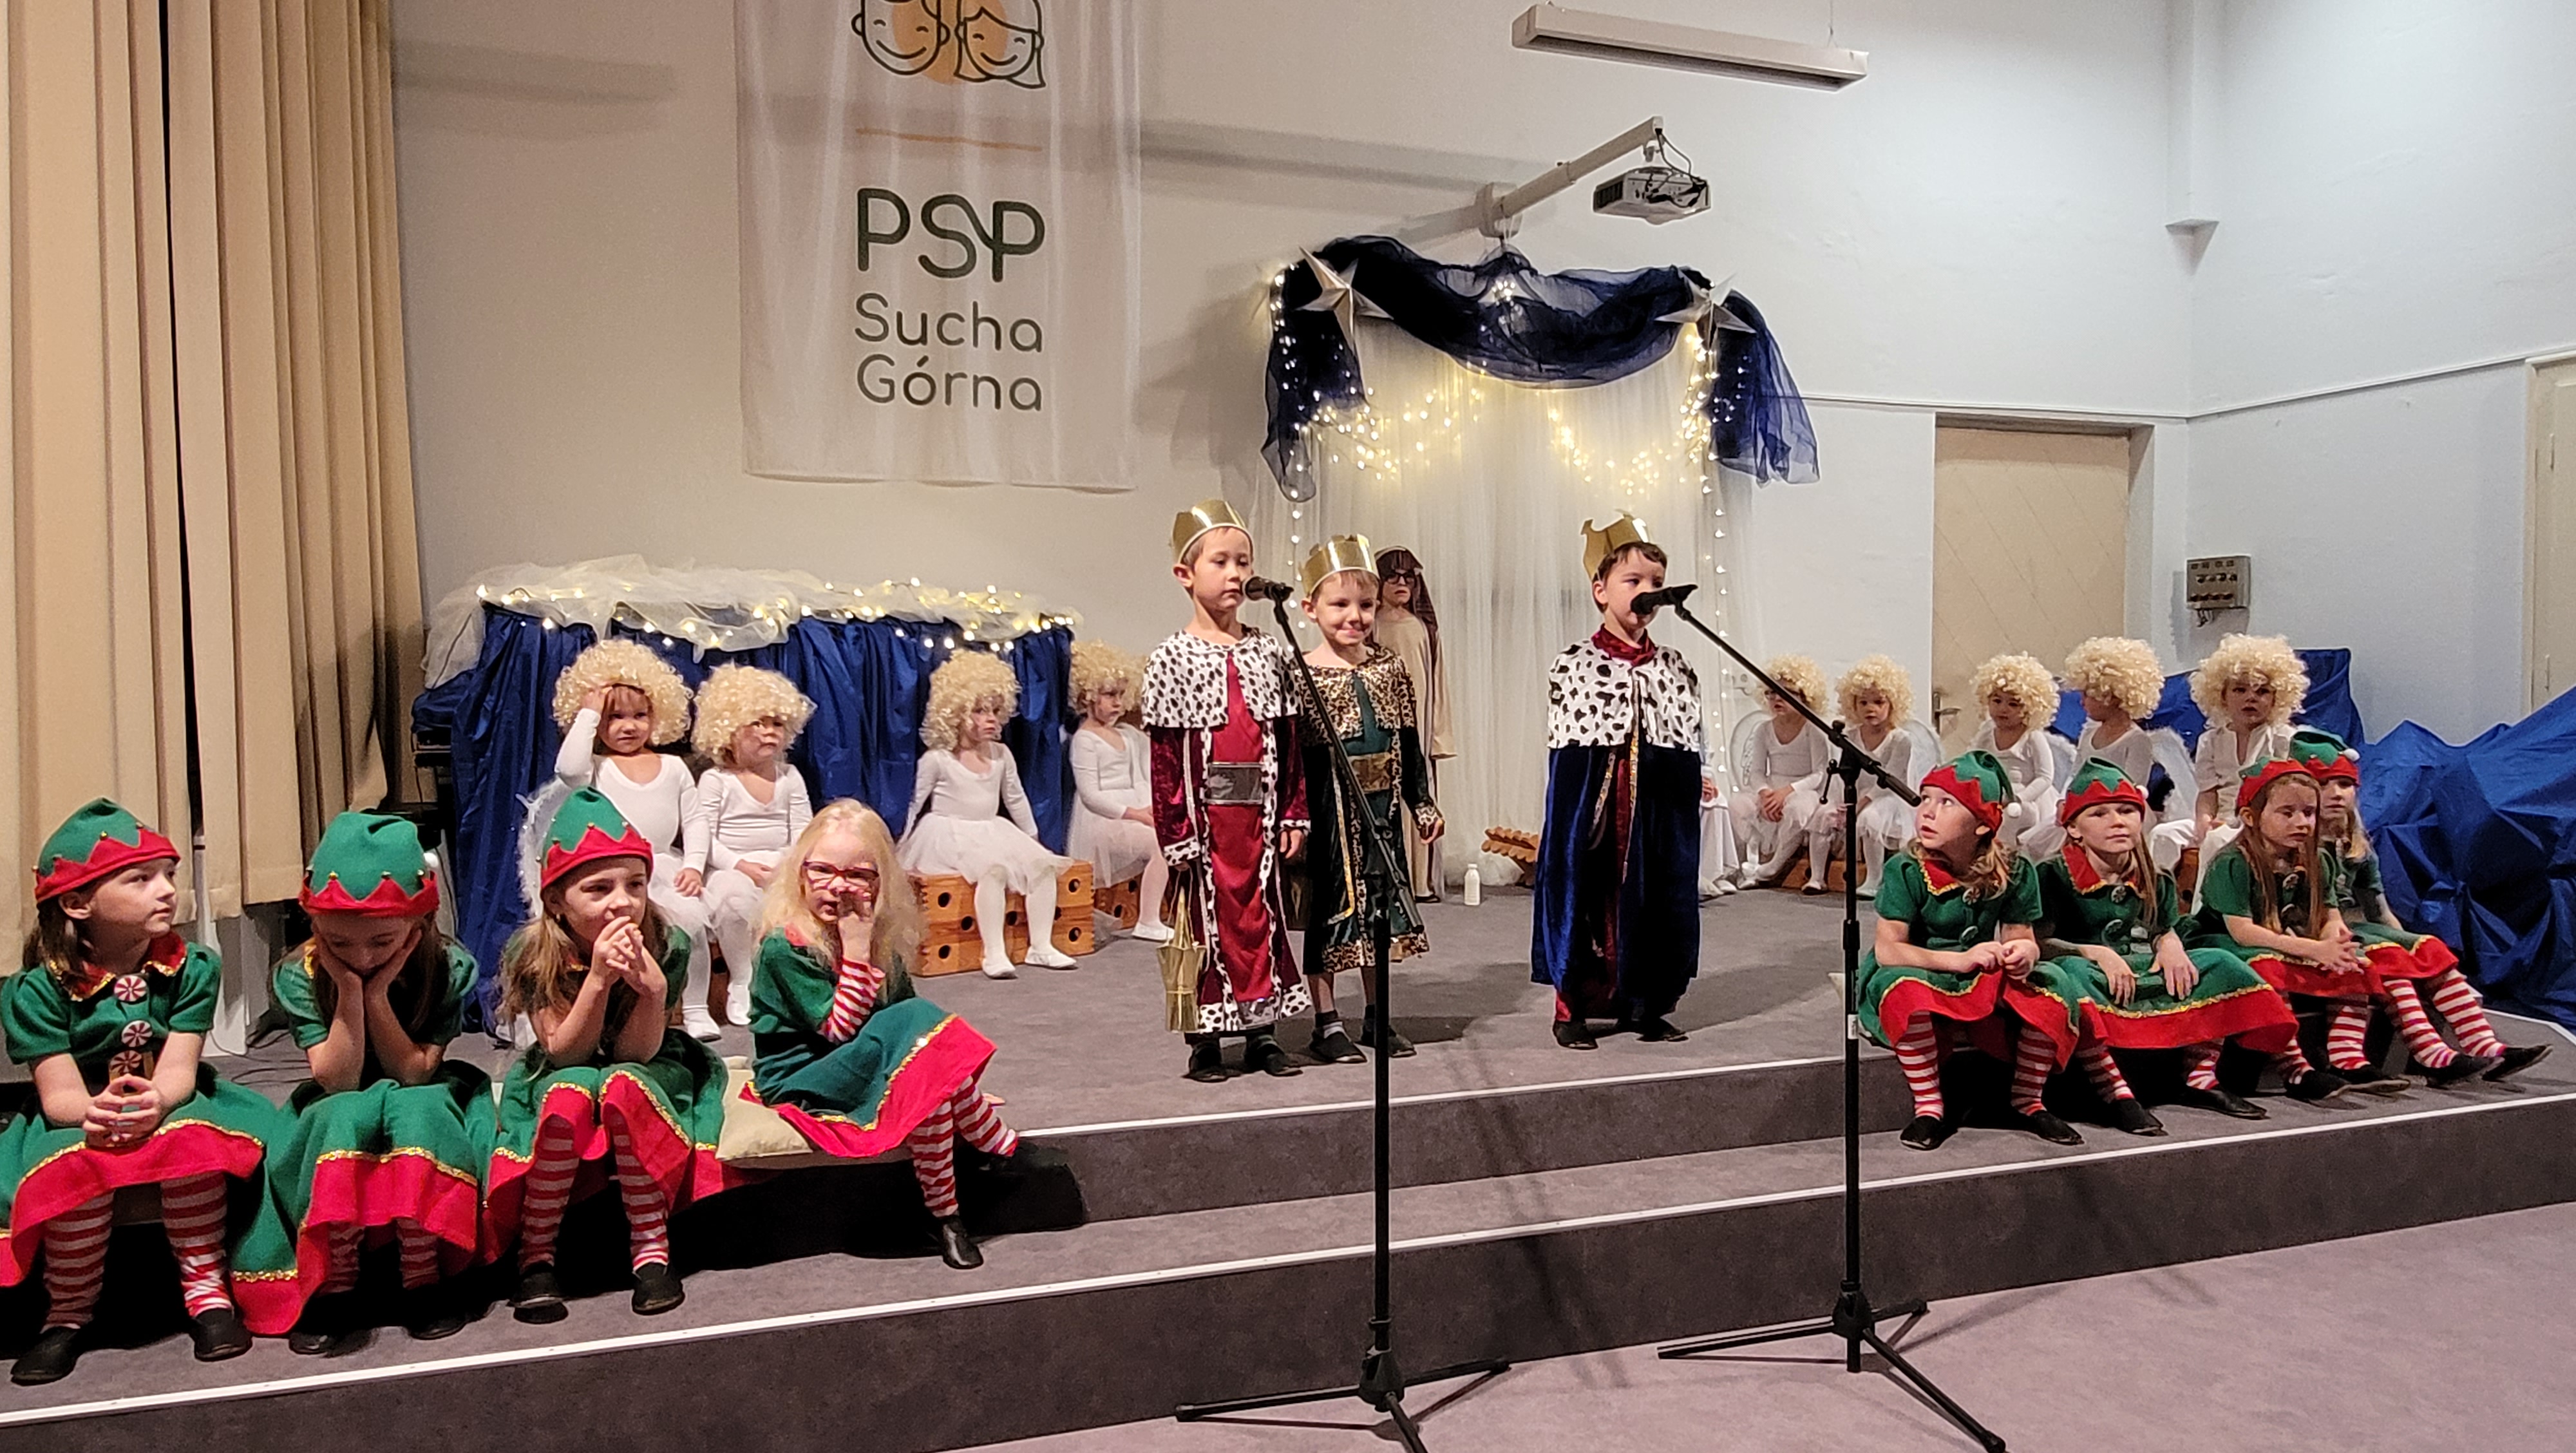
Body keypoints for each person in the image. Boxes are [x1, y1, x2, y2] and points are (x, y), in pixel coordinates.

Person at [1, 800, 301, 1383]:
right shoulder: (37, 990)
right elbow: (58, 1096)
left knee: (190, 1146)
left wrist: (155, 1104)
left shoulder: (192, 969)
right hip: (79, 1112)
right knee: (74, 1164)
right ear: (77, 904)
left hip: (170, 1099)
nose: (166, 891)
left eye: (168, 875)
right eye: (140, 880)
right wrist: (97, 1112)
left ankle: (207, 1292)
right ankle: (67, 1314)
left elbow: (180, 1071)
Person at [751, 802, 1034, 1271]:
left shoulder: (879, 934)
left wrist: (953, 1083)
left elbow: (909, 1029)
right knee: (920, 1036)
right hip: (805, 1075)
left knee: (929, 1084)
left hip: (862, 1063)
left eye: (857, 875)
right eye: (822, 870)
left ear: (881, 882)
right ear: (800, 871)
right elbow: (839, 1031)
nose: (839, 886)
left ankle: (946, 1216)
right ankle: (995, 1144)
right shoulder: (786, 945)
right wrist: (856, 951)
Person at [485, 787, 728, 1323]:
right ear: (556, 901)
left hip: (644, 1063)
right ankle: (537, 1253)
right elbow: (565, 1054)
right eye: (599, 889)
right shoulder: (534, 951)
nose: (623, 902)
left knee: (622, 1085)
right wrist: (597, 980)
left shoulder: (666, 941)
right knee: (571, 1093)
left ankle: (650, 1247)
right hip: (565, 1068)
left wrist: (654, 993)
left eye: (635, 885)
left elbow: (635, 1054)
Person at [273, 812, 491, 1353]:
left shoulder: (449, 967)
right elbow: (338, 1081)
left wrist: (378, 998)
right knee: (345, 1116)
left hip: (422, 1089)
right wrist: (349, 992)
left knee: (416, 1111)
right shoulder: (300, 974)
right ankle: (337, 1279)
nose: (362, 957)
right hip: (339, 1096)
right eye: (339, 943)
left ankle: (422, 1272)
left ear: (420, 926)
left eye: (381, 942)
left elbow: (414, 1073)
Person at [2036, 761, 2311, 1126]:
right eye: (2100, 814)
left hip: (2138, 967)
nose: (2117, 822)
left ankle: (2200, 1076)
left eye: (2127, 811)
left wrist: (2170, 945)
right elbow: (2039, 944)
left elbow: (2163, 929)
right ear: (2074, 828)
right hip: (2090, 972)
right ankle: (2113, 1090)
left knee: (2220, 963)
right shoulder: (2052, 874)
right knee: (2071, 975)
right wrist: (2094, 952)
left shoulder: (2155, 876)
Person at [1146, 499, 1312, 1081]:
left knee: (1261, 919)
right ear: (1185, 574)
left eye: (1243, 562)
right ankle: (1206, 1040)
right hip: (1205, 821)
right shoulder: (1171, 658)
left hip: (1259, 817)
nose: (1236, 574)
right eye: (1221, 562)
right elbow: (1166, 759)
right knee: (1204, 925)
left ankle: (1262, 1032)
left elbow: (1288, 742)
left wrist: (1293, 811)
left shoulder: (1268, 651)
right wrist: (1176, 831)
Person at [1856, 752, 2090, 1150]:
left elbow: (2021, 936)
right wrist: (1959, 960)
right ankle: (1930, 1107)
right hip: (1921, 965)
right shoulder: (1907, 869)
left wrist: (2023, 954)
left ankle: (2028, 1100)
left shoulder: (2015, 869)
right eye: (1925, 799)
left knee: (2054, 982)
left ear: (1982, 824)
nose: (1927, 812)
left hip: (1977, 971)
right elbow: (1889, 951)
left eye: (1946, 803)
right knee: (1902, 989)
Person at [1532, 513, 1703, 1050]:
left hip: (1655, 810)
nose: (1646, 592)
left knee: (1655, 898)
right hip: (1600, 809)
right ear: (1601, 590)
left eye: (1656, 582)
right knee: (1586, 894)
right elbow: (1570, 755)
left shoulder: (1675, 667)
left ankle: (1645, 1002)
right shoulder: (1575, 664)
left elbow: (1684, 740)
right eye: (1633, 581)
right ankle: (1573, 1007)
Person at [2303, 729, 2549, 1084]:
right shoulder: (2302, 849)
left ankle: (2484, 1045)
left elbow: (2380, 910)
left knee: (2428, 949)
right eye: (2324, 784)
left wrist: (2411, 948)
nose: (2336, 794)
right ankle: (2429, 1053)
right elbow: (2320, 915)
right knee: (2390, 960)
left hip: (2360, 929)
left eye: (2345, 784)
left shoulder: (2354, 846)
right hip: (2319, 931)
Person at [1296, 537, 1443, 1064]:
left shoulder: (1389, 669)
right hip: (1330, 815)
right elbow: (1293, 760)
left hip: (1381, 813)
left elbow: (1407, 741)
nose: (1354, 617)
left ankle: (1378, 1016)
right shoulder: (1302, 674)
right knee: (1332, 913)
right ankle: (1326, 1021)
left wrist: (1421, 802)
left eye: (1364, 605)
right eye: (1340, 604)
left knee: (1380, 912)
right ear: (1311, 608)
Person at [2182, 757, 2386, 1096]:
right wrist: (2314, 949)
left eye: (2309, 813)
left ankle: (2347, 1057)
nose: (2301, 823)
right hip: (2226, 943)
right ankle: (2295, 1068)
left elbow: (2329, 914)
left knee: (2353, 965)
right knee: (2267, 966)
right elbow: (2244, 933)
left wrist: (2334, 941)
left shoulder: (2317, 859)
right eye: (2287, 813)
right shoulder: (2233, 862)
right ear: (2251, 817)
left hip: (2286, 940)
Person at [553, 640, 719, 1041]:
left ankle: (695, 1008)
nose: (629, 726)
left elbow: (695, 820)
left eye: (640, 715)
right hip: (617, 873)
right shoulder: (595, 767)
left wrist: (694, 865)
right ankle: (621, 1007)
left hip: (665, 867)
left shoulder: (674, 766)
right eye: (614, 717)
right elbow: (568, 770)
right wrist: (589, 712)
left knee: (692, 930)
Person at [898, 651, 1079, 979]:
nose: (991, 719)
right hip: (951, 833)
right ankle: (994, 951)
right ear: (955, 713)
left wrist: (1032, 839)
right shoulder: (939, 759)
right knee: (992, 872)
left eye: (995, 711)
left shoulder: (1001, 755)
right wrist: (900, 846)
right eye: (980, 711)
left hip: (992, 829)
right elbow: (913, 803)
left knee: (1042, 867)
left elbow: (1016, 798)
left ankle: (1041, 945)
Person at [690, 665, 817, 1025]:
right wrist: (740, 866)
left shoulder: (790, 776)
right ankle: (743, 978)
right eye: (758, 723)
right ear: (729, 730)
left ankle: (791, 982)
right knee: (734, 901)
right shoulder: (717, 780)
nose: (769, 732)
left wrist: (787, 864)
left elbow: (803, 830)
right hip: (731, 867)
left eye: (777, 723)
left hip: (780, 864)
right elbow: (704, 835)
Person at [1065, 640, 1172, 944]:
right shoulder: (1086, 740)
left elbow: (1145, 776)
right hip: (1106, 820)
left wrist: (1153, 809)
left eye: (1121, 695)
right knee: (1161, 844)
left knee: (1175, 835)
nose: (1117, 703)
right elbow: (1090, 795)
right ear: (1088, 696)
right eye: (1109, 695)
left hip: (1135, 813)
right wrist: (1135, 814)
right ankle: (1148, 919)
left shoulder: (1127, 734)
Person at [2179, 634, 2306, 888]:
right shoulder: (2211, 740)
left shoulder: (2283, 739)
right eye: (2240, 690)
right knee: (2164, 834)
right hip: (2221, 817)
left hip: (2261, 821)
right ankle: (2159, 904)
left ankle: (2206, 906)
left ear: (2276, 699)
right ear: (2222, 696)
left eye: (2262, 691)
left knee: (2216, 840)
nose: (2251, 698)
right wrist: (2204, 820)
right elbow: (2207, 793)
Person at [2060, 636, 2195, 872]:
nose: (2081, 703)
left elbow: (2131, 788)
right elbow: (2076, 774)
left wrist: (2094, 807)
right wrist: (2065, 800)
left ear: (2112, 695)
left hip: (2123, 809)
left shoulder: (2136, 740)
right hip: (2086, 804)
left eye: (2088, 695)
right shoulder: (2089, 733)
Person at [1372, 546, 1454, 900]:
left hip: (1416, 729)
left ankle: (1420, 882)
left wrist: (1437, 736)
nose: (1402, 583)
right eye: (1393, 576)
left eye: (1408, 577)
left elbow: (1438, 683)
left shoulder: (1423, 630)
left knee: (1417, 799)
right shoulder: (1370, 626)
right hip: (1380, 728)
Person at [1730, 655, 1833, 892]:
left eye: (1786, 693)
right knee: (1738, 805)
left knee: (1798, 809)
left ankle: (1774, 865)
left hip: (1803, 789)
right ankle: (1743, 865)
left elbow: (1820, 773)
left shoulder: (1813, 730)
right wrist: (1765, 792)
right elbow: (1757, 771)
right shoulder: (1764, 730)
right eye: (1772, 693)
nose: (1777, 699)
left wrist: (1787, 792)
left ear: (1805, 696)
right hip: (1772, 786)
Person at [1835, 654, 1920, 898]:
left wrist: (1862, 803)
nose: (1870, 708)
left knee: (1870, 818)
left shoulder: (1900, 739)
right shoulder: (1852, 737)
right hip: (1861, 796)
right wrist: (1847, 802)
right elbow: (1846, 774)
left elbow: (1890, 780)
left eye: (1878, 702)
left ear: (1893, 704)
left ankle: (1875, 877)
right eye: (1863, 702)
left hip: (1891, 798)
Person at [1967, 652, 2063, 855]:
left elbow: (2045, 777)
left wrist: (2020, 798)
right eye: (1997, 701)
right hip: (1994, 796)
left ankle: (2011, 860)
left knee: (2016, 832)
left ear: (2030, 708)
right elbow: (1973, 761)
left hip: (2027, 799)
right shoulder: (1987, 732)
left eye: (2013, 704)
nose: (2003, 709)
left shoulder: (2032, 737)